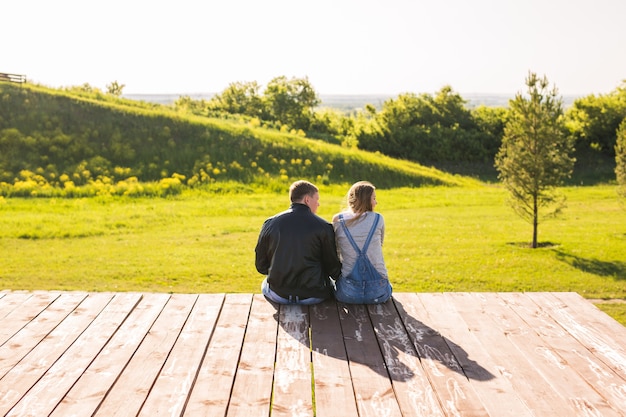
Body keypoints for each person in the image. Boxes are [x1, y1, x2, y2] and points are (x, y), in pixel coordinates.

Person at [255, 180, 342, 305]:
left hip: (278, 294)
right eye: (316, 199)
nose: (318, 204)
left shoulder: (270, 223)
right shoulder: (323, 226)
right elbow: (333, 268)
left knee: (265, 283)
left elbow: (261, 266)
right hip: (313, 295)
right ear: (307, 199)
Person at [332, 181, 392, 304]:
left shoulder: (338, 220)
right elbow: (380, 244)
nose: (376, 202)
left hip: (348, 292)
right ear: (366, 200)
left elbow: (336, 250)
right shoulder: (378, 219)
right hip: (379, 291)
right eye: (374, 198)